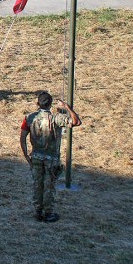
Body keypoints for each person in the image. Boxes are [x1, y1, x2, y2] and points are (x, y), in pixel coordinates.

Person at [19, 92, 82, 223]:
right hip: (51, 158)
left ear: (38, 103)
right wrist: (67, 107)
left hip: (36, 156)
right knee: (49, 186)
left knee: (37, 184)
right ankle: (48, 213)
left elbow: (22, 138)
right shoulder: (55, 118)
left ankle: (38, 211)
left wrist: (26, 156)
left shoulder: (30, 118)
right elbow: (76, 121)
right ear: (50, 104)